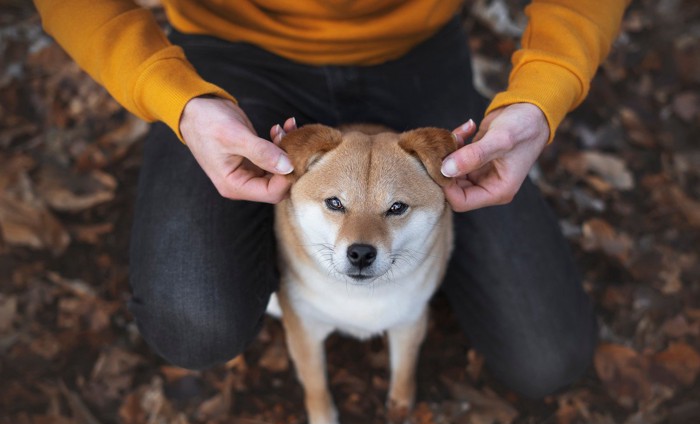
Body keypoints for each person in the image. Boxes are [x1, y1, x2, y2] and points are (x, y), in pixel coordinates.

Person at [35, 0, 628, 398]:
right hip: (230, 52)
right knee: (193, 320)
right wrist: (176, 100)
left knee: (549, 357)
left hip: (418, 50)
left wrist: (542, 93)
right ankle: (278, 271)